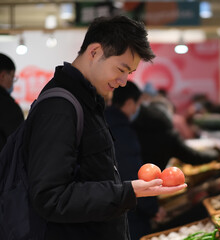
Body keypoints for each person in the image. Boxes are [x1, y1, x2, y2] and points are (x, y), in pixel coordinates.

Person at [20, 15, 186, 240]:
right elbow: (51, 197)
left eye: (129, 72)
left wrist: (126, 191)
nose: (124, 80)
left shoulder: (88, 101)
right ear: (94, 51)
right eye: (121, 68)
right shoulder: (60, 107)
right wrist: (128, 191)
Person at [104, 81, 165, 240]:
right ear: (130, 102)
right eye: (137, 104)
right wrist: (152, 208)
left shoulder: (103, 122)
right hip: (127, 212)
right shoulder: (123, 131)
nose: (137, 109)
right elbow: (131, 171)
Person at [131, 93, 219, 171]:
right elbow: (191, 156)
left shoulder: (132, 128)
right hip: (155, 181)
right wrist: (214, 154)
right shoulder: (168, 133)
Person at [0, 53, 24, 152]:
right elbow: (19, 144)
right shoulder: (8, 107)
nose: (12, 82)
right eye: (12, 77)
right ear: (3, 75)